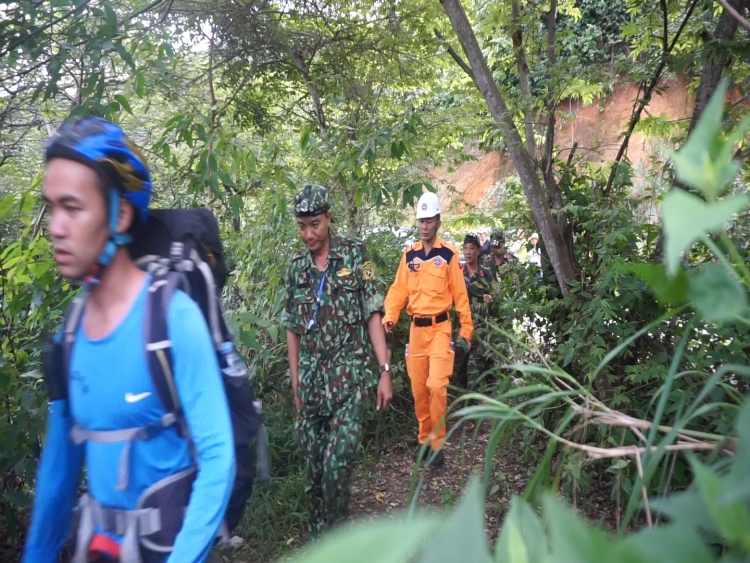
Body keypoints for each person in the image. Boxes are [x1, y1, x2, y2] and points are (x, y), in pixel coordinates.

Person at [23, 117, 235, 563]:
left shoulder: (172, 317)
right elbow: (59, 468)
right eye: (52, 207)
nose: (56, 226)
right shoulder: (71, 331)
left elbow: (219, 457)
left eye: (73, 207)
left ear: (119, 213)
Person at [282, 184, 393, 537]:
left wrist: (384, 370)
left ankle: (338, 539)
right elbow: (293, 329)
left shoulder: (356, 255)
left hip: (351, 378)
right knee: (314, 473)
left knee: (337, 466)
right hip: (312, 384)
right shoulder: (296, 268)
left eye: (315, 224)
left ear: (329, 217)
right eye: (302, 226)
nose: (309, 234)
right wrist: (295, 382)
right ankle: (321, 541)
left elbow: (372, 312)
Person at [383, 192, 473, 467]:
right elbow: (398, 290)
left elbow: (460, 296)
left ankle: (437, 444)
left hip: (441, 329)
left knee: (437, 385)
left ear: (438, 222)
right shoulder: (409, 256)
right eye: (421, 221)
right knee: (419, 388)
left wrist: (465, 331)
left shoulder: (448, 255)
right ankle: (424, 440)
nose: (424, 226)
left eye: (429, 220)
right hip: (416, 332)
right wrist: (390, 316)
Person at [460, 234, 496, 390]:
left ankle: (475, 407)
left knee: (474, 374)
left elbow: (498, 298)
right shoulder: (457, 274)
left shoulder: (486, 274)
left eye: (472, 248)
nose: (468, 252)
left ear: (478, 251)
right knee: (460, 371)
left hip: (480, 332)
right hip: (461, 330)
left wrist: (490, 298)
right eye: (465, 248)